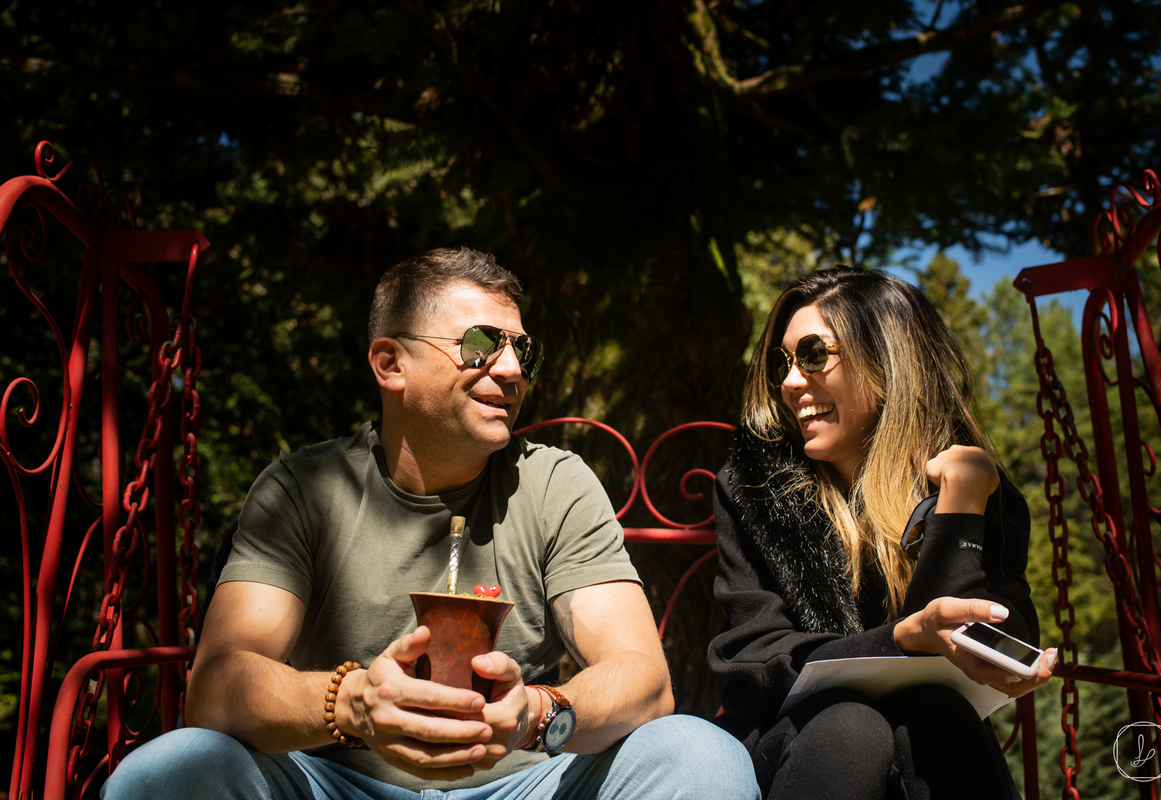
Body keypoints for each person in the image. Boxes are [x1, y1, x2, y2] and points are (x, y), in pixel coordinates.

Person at [103, 247, 757, 800]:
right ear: (390, 364)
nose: (509, 370)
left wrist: (535, 713)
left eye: (522, 352)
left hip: (522, 785)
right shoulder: (304, 489)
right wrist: (351, 703)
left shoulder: (556, 482)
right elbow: (217, 687)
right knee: (169, 772)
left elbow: (643, 679)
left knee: (700, 757)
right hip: (333, 782)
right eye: (480, 344)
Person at [707, 266, 1056, 799]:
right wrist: (897, 641)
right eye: (784, 362)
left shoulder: (973, 484)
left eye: (813, 355)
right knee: (851, 726)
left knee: (937, 713)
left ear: (886, 361)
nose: (790, 381)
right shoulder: (753, 490)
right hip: (792, 744)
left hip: (924, 743)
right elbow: (759, 656)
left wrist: (959, 506)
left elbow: (987, 634)